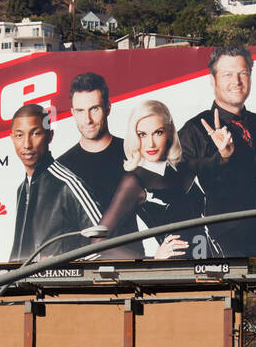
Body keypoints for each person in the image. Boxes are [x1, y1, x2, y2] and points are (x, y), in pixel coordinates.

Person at [98, 98, 235, 260]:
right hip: (175, 273)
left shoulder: (181, 167)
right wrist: (151, 260)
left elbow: (212, 164)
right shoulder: (134, 181)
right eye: (142, 135)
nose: (151, 143)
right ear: (135, 136)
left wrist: (224, 153)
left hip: (209, 261)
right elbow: (98, 242)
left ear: (169, 133)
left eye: (158, 132)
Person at [177, 45, 256, 257]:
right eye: (227, 75)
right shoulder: (194, 128)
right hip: (218, 244)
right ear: (212, 80)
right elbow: (179, 183)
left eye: (243, 73)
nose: (237, 81)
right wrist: (221, 157)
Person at [7, 104, 102, 263]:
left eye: (35, 133)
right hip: (25, 285)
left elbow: (106, 241)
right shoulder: (22, 189)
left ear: (50, 136)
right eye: (19, 135)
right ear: (12, 138)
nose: (26, 144)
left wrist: (64, 269)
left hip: (57, 286)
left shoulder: (68, 184)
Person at [58, 72, 126, 211]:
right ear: (72, 113)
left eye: (94, 109)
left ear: (108, 108)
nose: (87, 119)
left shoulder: (133, 152)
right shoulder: (61, 168)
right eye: (80, 111)